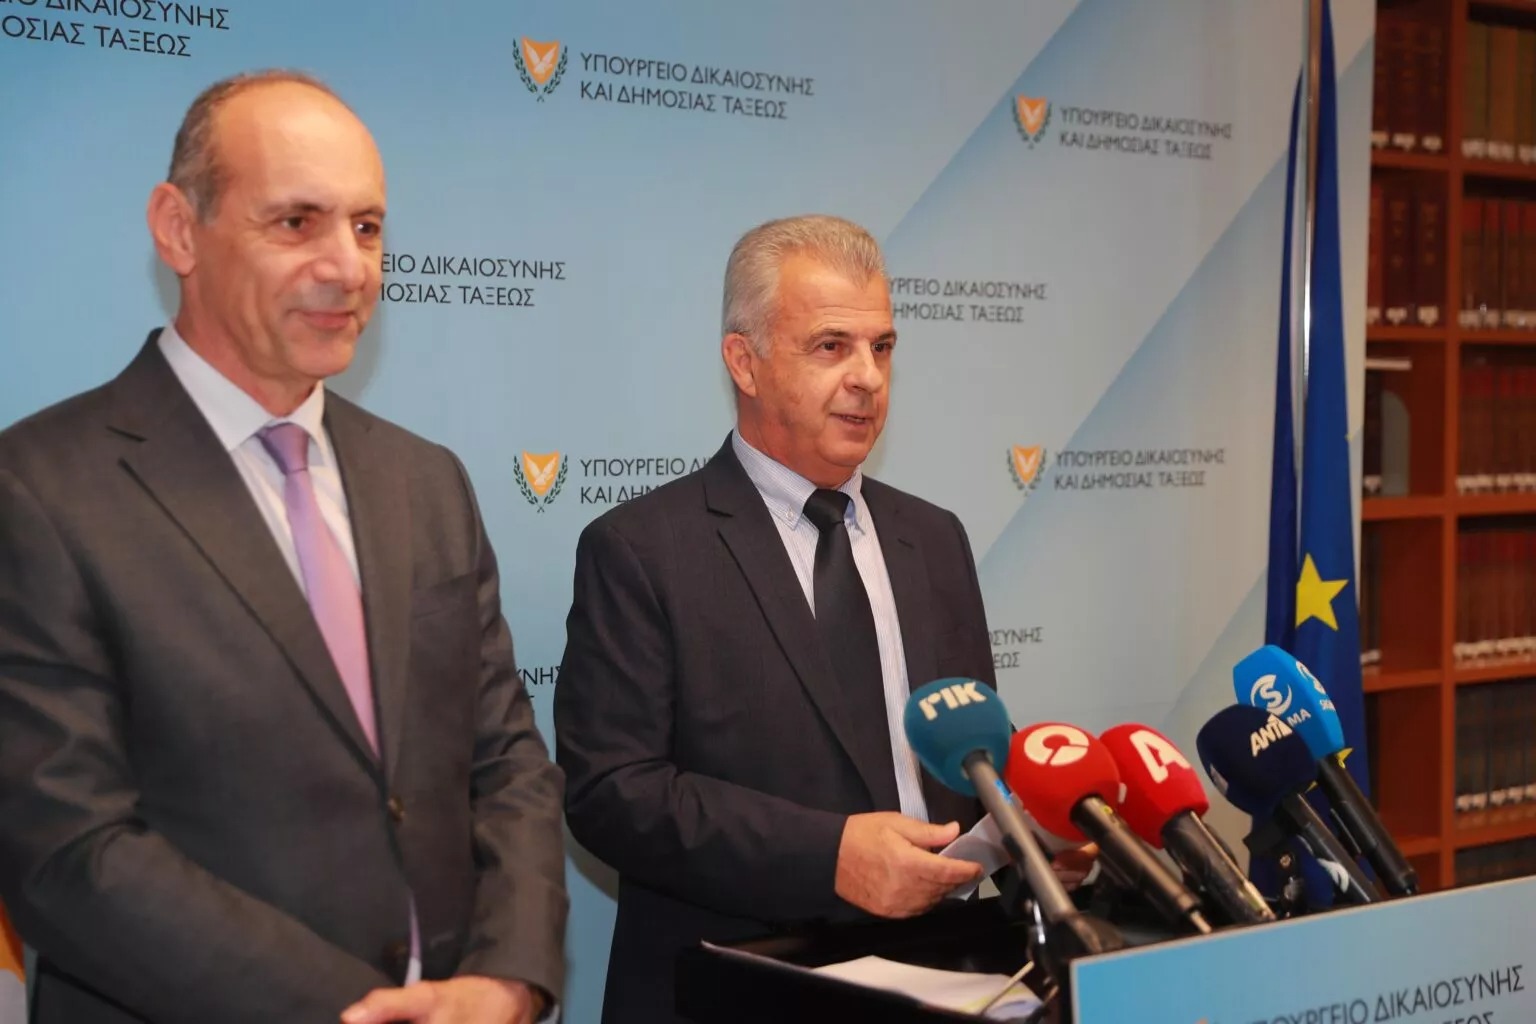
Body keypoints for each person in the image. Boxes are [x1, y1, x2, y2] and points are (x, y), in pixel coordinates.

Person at [0, 70, 566, 1024]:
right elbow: (66, 847)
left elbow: (506, 761)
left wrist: (509, 980)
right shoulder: (36, 488)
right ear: (179, 230)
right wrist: (363, 1011)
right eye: (297, 222)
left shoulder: (427, 481)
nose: (349, 267)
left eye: (367, 226)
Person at [555, 215, 1015, 1024]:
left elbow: (971, 757)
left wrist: (1029, 843)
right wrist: (828, 858)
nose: (867, 377)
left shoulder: (934, 537)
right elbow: (613, 794)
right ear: (745, 362)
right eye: (831, 346)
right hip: (735, 990)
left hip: (946, 977)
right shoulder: (642, 550)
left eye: (882, 347)